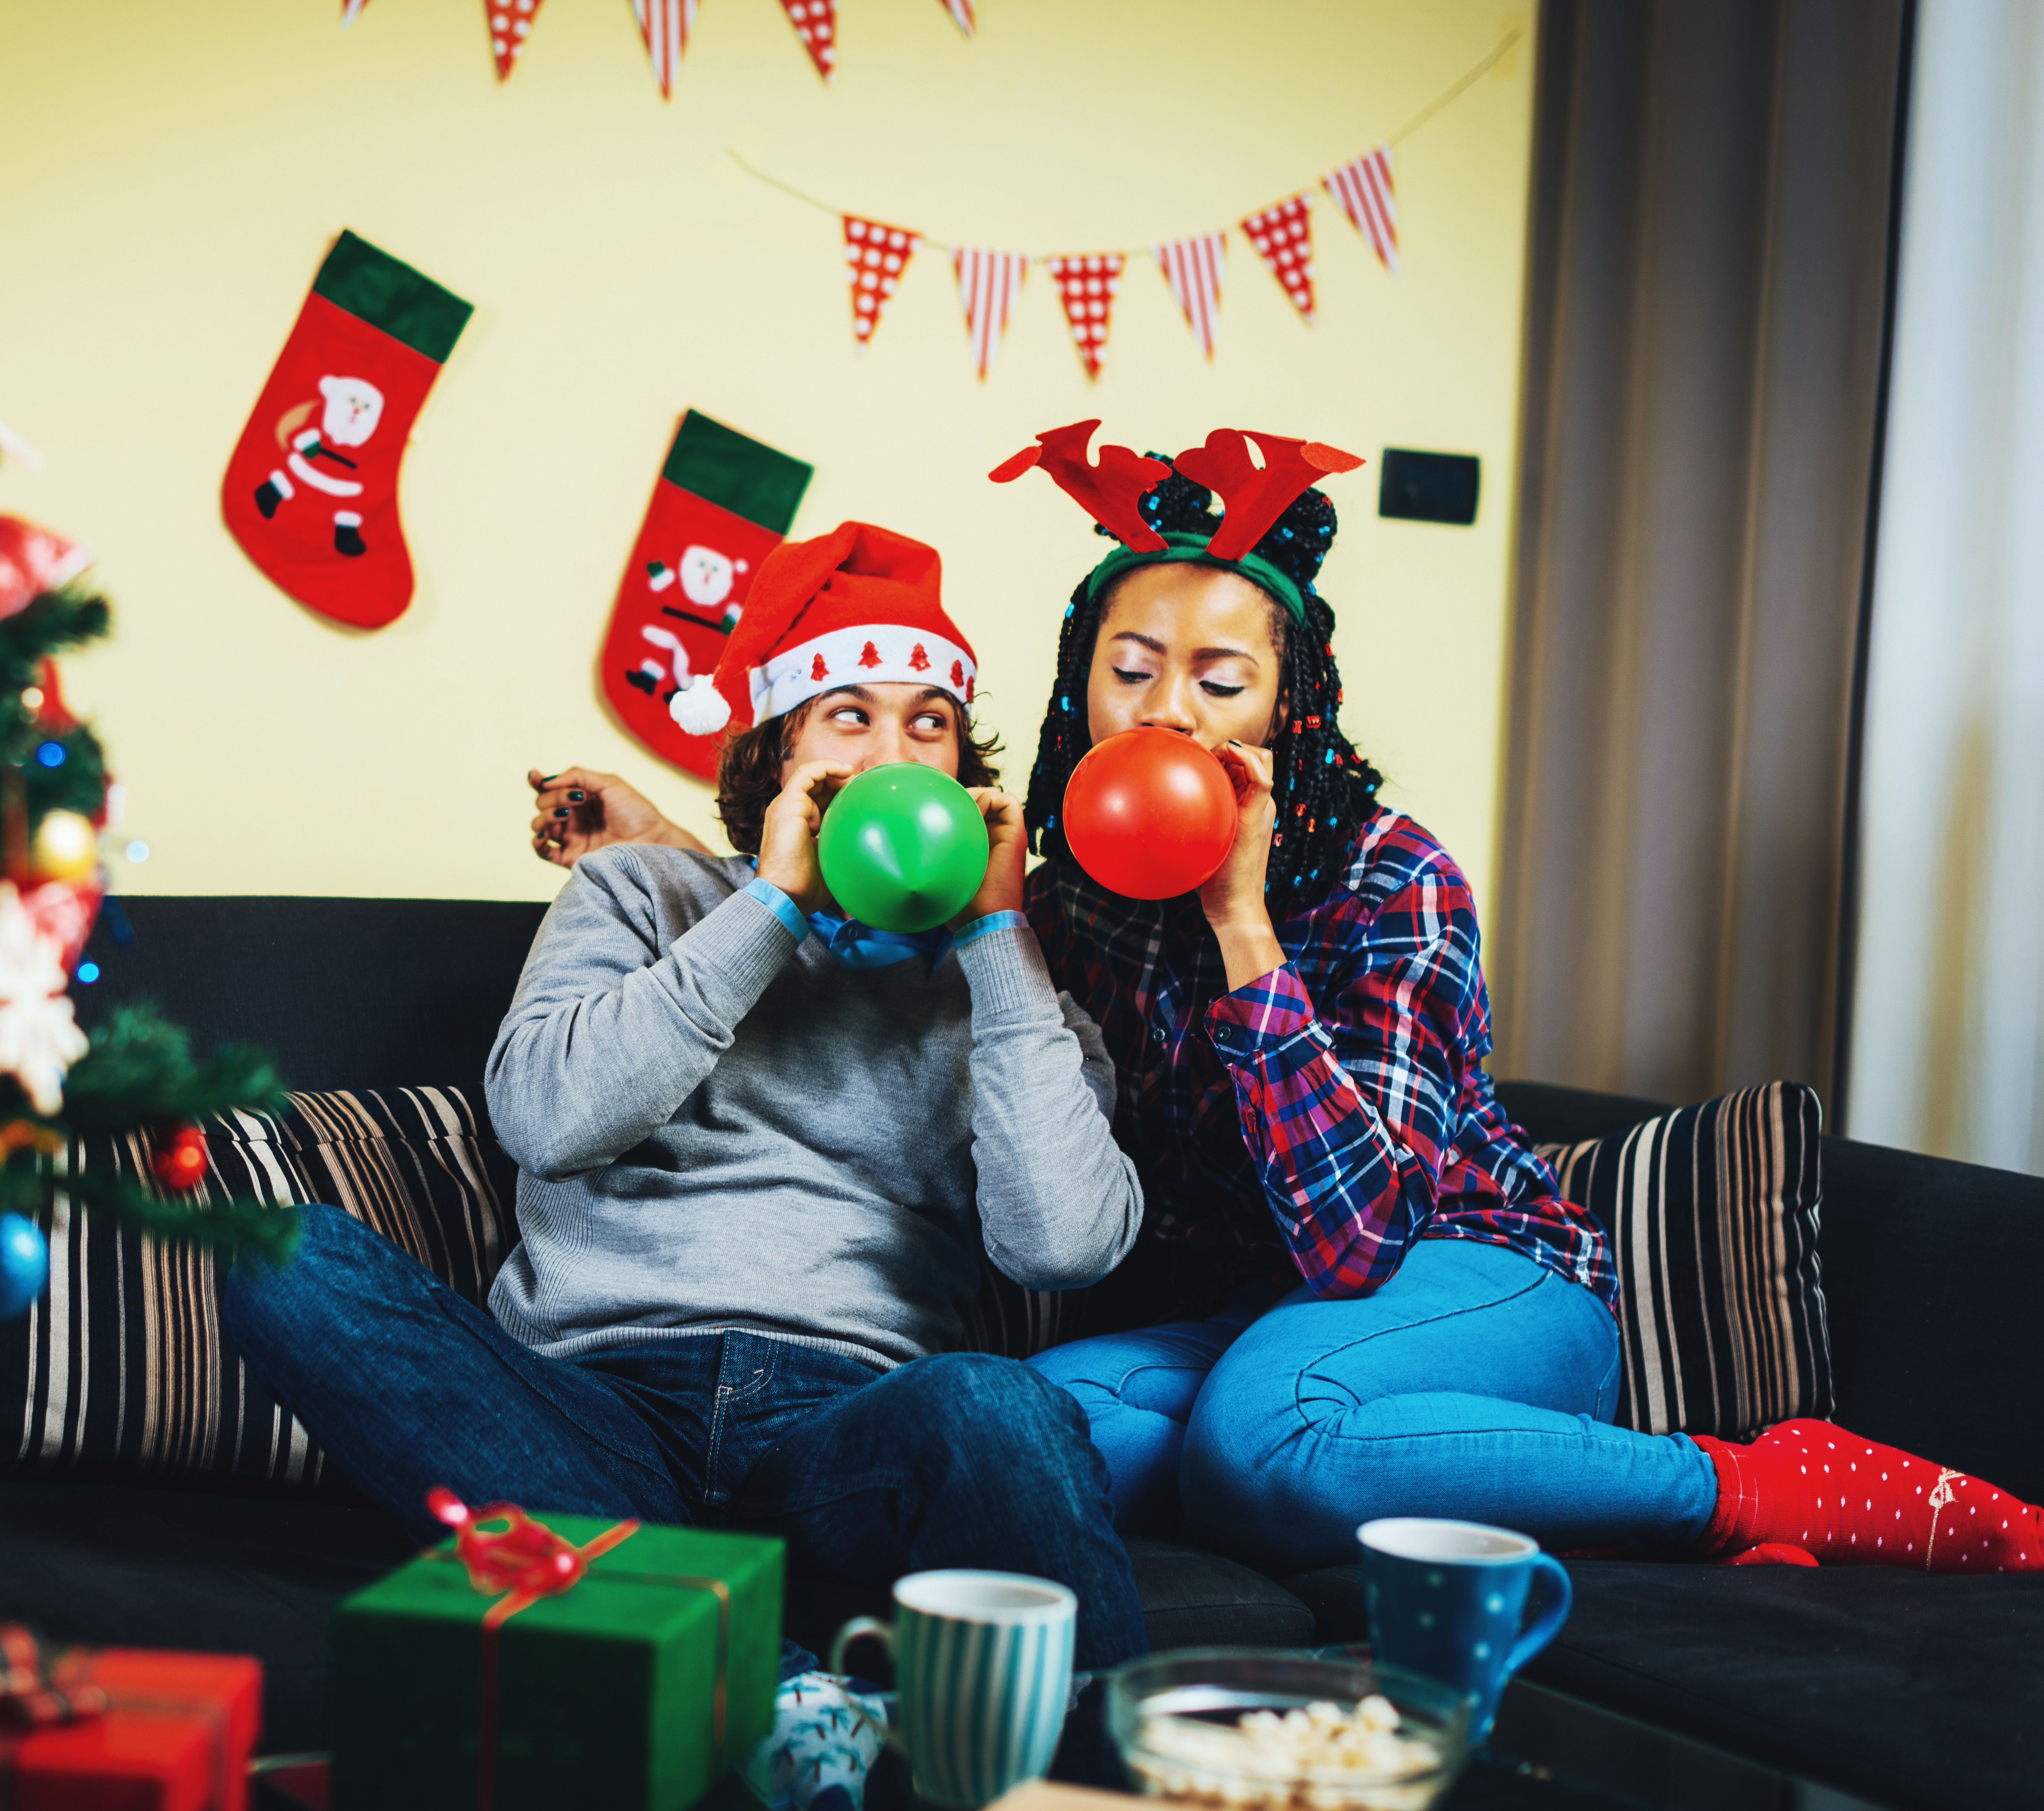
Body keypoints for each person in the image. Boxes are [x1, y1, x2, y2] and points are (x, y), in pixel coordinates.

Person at [526, 424, 2044, 1581]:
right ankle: (1406, 1477)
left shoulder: (1390, 877)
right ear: (1078, 704)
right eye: (1128, 673)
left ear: (1286, 708)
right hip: (1234, 1325)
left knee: (1269, 1437)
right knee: (1008, 1429)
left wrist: (1242, 921)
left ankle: (1753, 1486)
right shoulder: (1048, 903)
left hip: (1462, 1280)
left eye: (1217, 680)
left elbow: (1357, 1239)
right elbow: (874, 886)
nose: (1167, 714)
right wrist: (684, 844)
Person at [226, 520, 1155, 1669]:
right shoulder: (640, 890)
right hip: (586, 1416)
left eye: (932, 722)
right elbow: (546, 1121)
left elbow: (1064, 1246)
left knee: (1000, 1408)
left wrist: (1004, 938)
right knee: (281, 1252)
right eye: (850, 716)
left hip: (840, 1436)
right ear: (781, 759)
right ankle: (754, 1679)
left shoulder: (1012, 995)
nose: (897, 750)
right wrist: (770, 907)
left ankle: (1108, 1779)